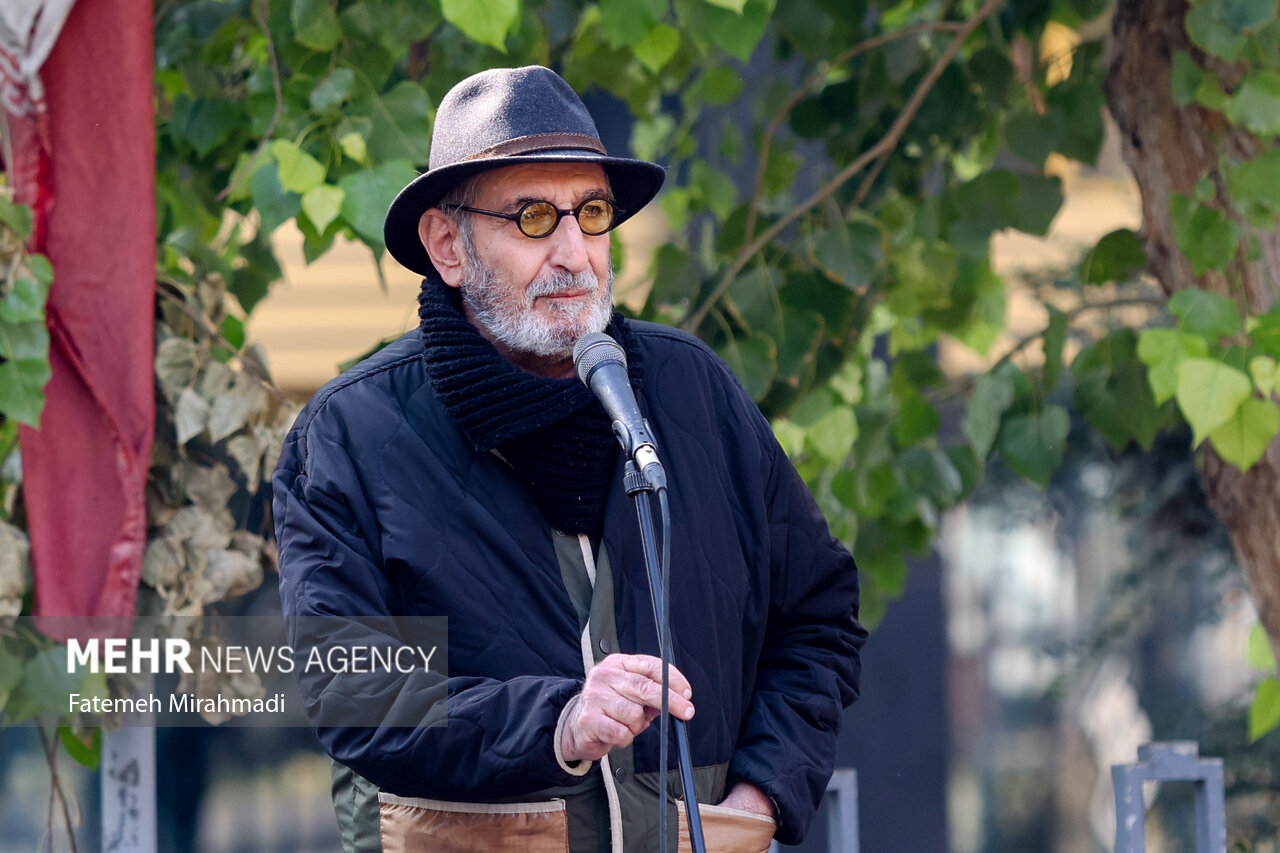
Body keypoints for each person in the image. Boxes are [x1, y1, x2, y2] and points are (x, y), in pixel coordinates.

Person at [273, 65, 866, 853]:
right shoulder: (349, 434)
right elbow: (355, 688)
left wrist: (761, 795)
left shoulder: (691, 390)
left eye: (591, 213)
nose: (575, 253)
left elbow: (819, 618)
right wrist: (558, 719)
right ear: (447, 244)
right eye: (533, 218)